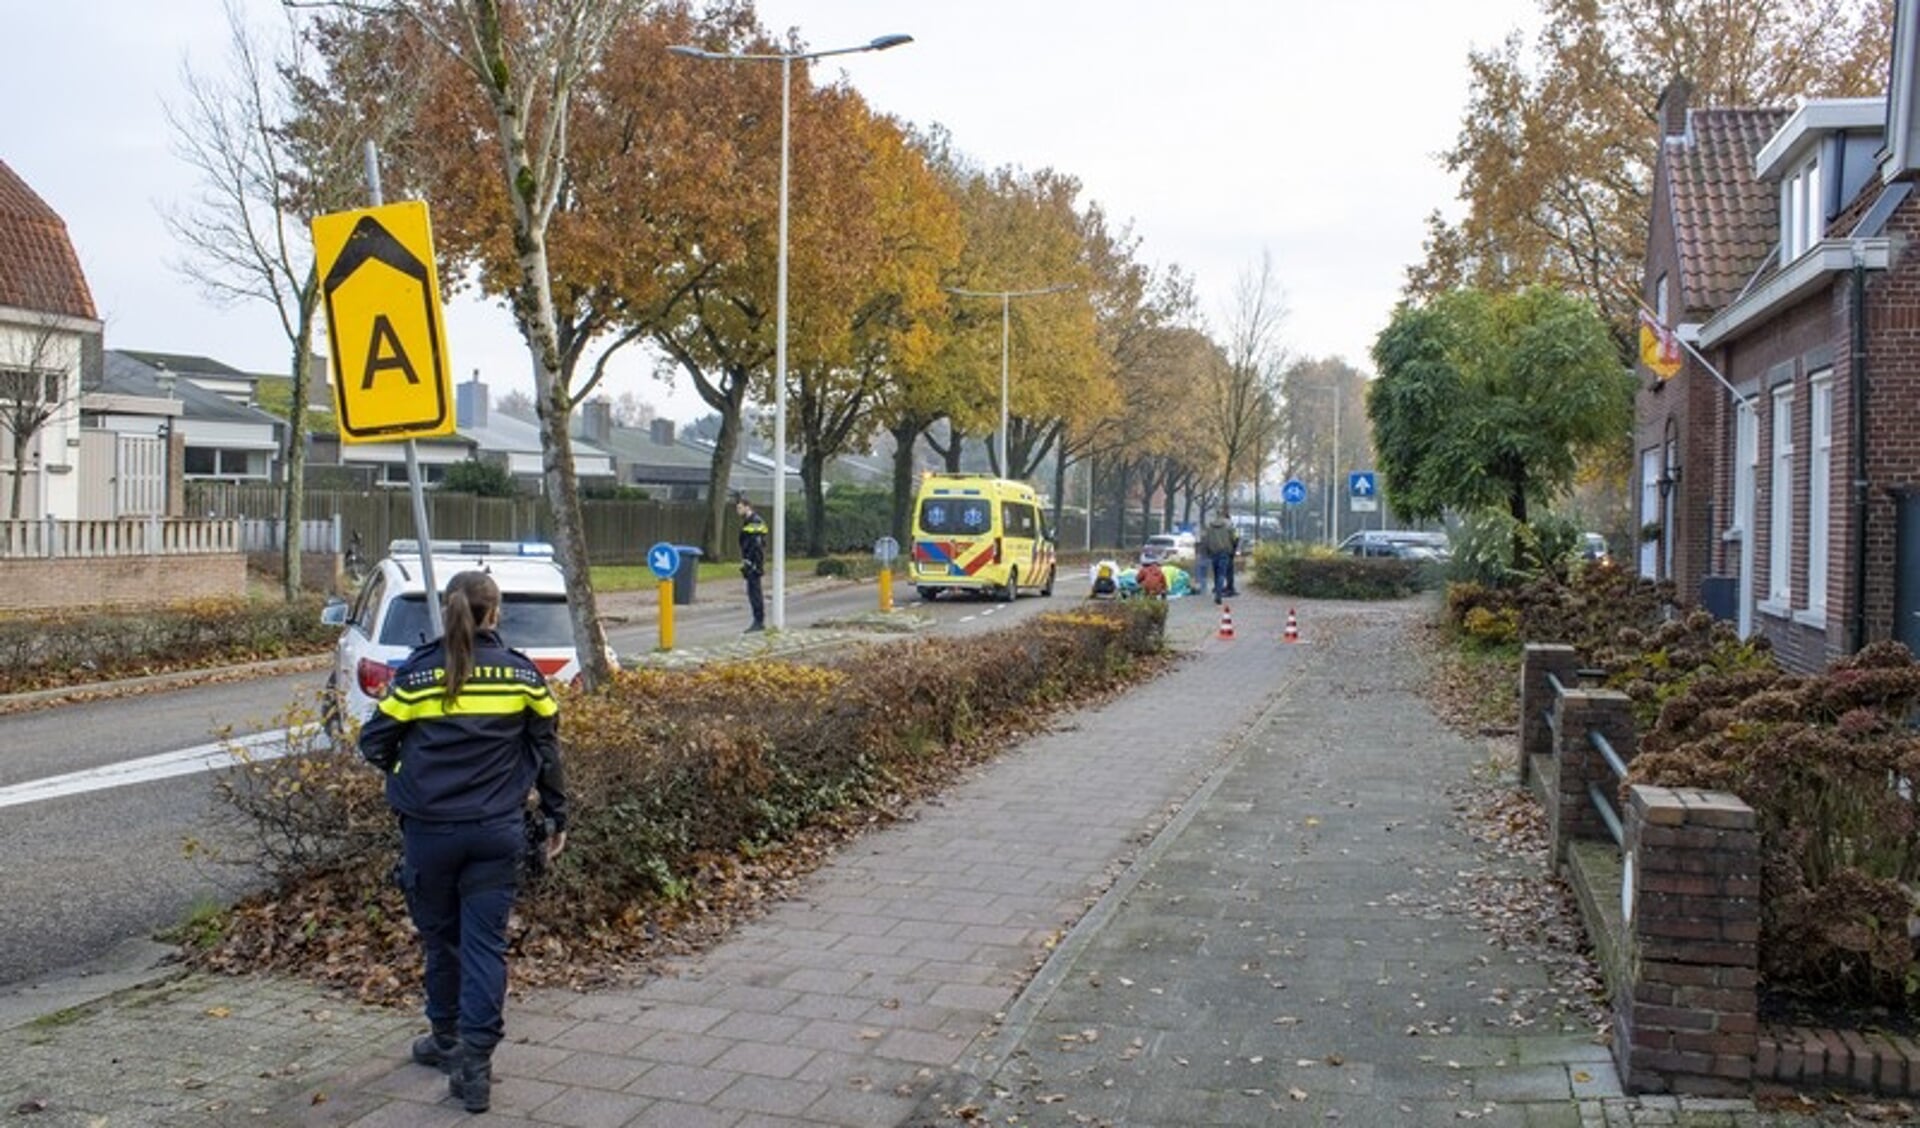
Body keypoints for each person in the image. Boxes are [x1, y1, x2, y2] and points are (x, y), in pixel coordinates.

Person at [358, 570, 569, 1115]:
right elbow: (547, 748)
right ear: (495, 613)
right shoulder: (522, 675)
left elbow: (374, 741)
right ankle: (474, 1065)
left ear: (449, 609)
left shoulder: (417, 675)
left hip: (429, 834)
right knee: (485, 944)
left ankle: (445, 1037)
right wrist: (555, 814)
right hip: (496, 832)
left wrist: (409, 776)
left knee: (441, 938)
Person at [736, 494, 768, 632]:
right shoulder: (749, 522)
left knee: (755, 592)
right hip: (751, 561)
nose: (738, 510)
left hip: (754, 563)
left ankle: (759, 621)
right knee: (752, 591)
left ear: (747, 507)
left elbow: (757, 545)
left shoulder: (755, 522)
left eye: (740, 507)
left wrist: (752, 563)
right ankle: (757, 620)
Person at [1201, 508, 1240, 604]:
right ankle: (1218, 594)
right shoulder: (1229, 525)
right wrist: (1233, 548)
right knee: (1222, 574)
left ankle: (1217, 592)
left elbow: (1205, 540)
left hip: (1213, 552)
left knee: (1216, 573)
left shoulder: (1210, 526)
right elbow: (1235, 537)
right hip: (1225, 552)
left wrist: (1206, 551)